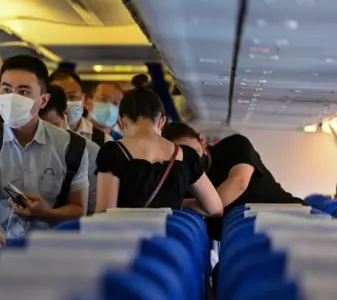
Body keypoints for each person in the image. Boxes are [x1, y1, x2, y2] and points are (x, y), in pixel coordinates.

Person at [0, 55, 89, 250]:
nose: (13, 98)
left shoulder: (71, 146)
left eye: (23, 91)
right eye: (6, 90)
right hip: (2, 251)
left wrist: (45, 213)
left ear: (43, 100)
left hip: (56, 253)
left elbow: (79, 209)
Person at [95, 75, 223, 217]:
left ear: (121, 121)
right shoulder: (186, 156)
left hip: (129, 236)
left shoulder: (112, 152)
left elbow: (105, 213)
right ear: (162, 120)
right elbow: (215, 209)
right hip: (171, 237)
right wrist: (174, 203)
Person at [161, 122, 304, 240]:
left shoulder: (234, 145)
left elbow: (238, 184)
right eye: (183, 159)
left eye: (193, 153)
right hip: (251, 242)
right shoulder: (184, 180)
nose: (192, 162)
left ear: (202, 140)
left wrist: (183, 203)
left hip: (293, 220)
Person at [39, 84, 99, 215]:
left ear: (65, 114)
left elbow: (95, 210)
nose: (47, 135)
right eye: (39, 129)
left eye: (53, 126)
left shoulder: (89, 151)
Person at [48, 69, 93, 140]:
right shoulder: (35, 134)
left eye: (72, 97)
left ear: (83, 99)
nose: (65, 103)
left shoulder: (102, 140)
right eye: (59, 97)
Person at [86, 82, 124, 146]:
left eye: (115, 103)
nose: (110, 106)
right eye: (103, 99)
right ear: (87, 103)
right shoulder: (75, 136)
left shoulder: (122, 143)